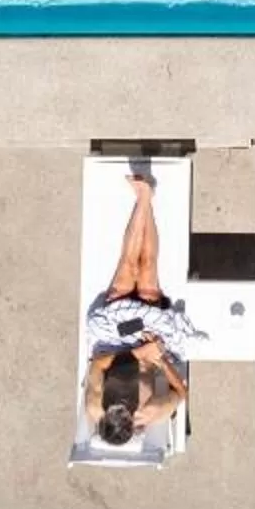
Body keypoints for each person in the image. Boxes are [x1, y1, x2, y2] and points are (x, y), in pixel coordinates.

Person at [79, 170, 197, 447]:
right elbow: (182, 392)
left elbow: (99, 363)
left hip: (112, 342)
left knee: (127, 266)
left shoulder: (95, 405)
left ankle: (144, 198)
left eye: (114, 407)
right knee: (147, 273)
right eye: (124, 410)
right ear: (133, 423)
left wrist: (137, 353)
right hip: (150, 343)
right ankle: (146, 199)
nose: (120, 404)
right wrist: (160, 359)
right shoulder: (150, 412)